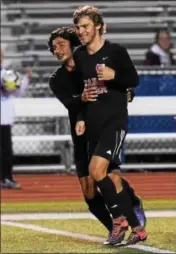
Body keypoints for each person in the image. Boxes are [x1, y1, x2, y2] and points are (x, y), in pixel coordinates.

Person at [47, 27, 146, 245]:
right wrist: (80, 98)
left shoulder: (90, 62)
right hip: (80, 136)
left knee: (108, 175)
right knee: (89, 192)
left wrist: (128, 91)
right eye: (54, 48)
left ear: (73, 45)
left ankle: (128, 210)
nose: (57, 50)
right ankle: (118, 224)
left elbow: (120, 82)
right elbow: (70, 103)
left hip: (103, 128)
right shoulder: (56, 79)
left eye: (61, 45)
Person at [73, 6, 147, 245]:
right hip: (93, 123)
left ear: (97, 26)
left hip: (114, 122)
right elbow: (81, 88)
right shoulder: (80, 55)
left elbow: (133, 80)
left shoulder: (116, 51)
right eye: (78, 27)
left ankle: (118, 221)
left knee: (96, 171)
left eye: (85, 26)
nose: (81, 31)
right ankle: (138, 229)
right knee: (112, 178)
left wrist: (114, 76)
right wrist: (82, 109)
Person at [0, 49, 32, 189]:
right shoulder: (5, 74)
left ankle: (6, 178)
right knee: (5, 150)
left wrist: (26, 79)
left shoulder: (7, 74)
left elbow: (17, 92)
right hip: (3, 118)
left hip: (4, 118)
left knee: (5, 150)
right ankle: (6, 178)